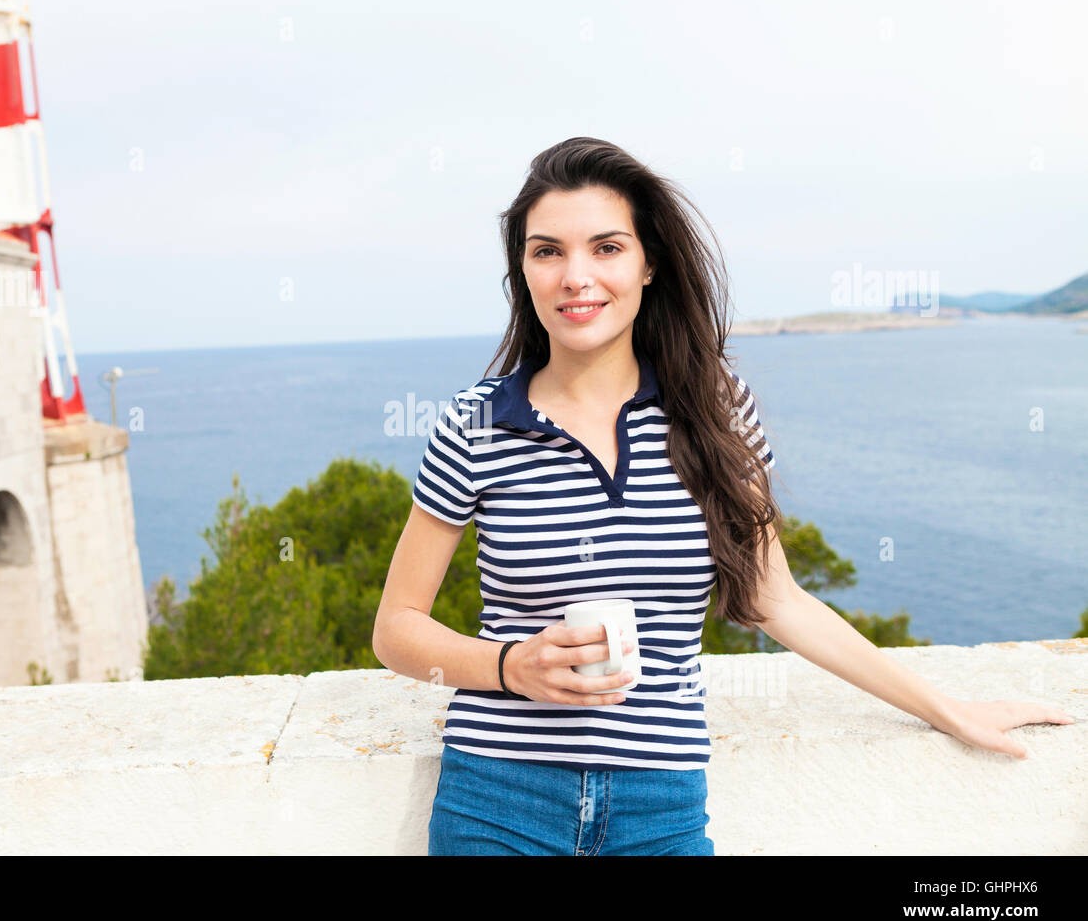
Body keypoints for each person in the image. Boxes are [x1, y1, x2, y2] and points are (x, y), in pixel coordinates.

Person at [372, 136, 1074, 856]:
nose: (575, 277)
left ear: (650, 264)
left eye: (606, 248)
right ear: (523, 271)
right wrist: (510, 666)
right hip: (497, 796)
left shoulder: (714, 408)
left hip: (661, 806)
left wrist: (948, 709)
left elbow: (778, 600)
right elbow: (397, 627)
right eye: (547, 251)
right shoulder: (476, 421)